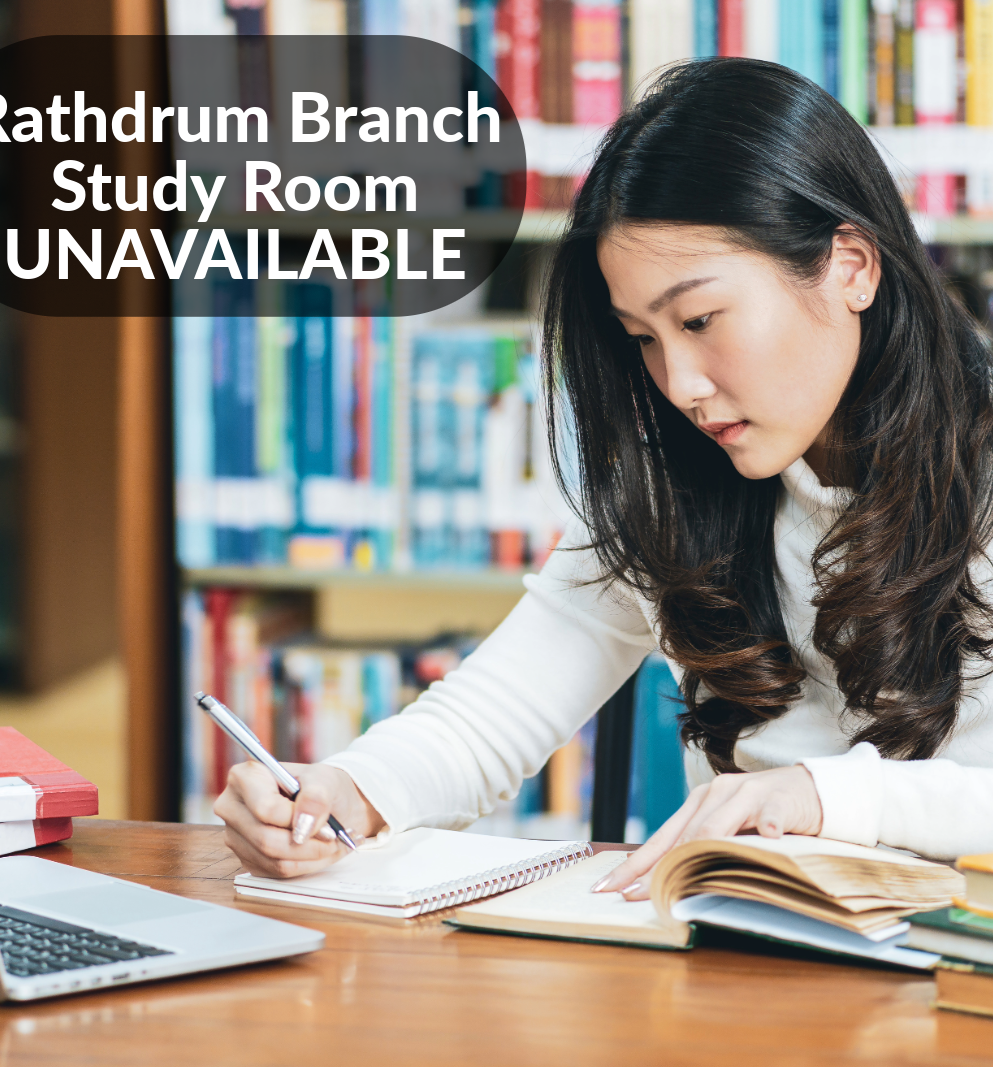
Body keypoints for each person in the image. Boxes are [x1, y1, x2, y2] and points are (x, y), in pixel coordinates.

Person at [214, 58, 993, 899]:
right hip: (744, 945)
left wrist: (822, 795)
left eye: (700, 319)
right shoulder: (676, 487)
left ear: (851, 267)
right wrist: (349, 791)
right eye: (643, 338)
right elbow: (496, 710)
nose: (681, 384)